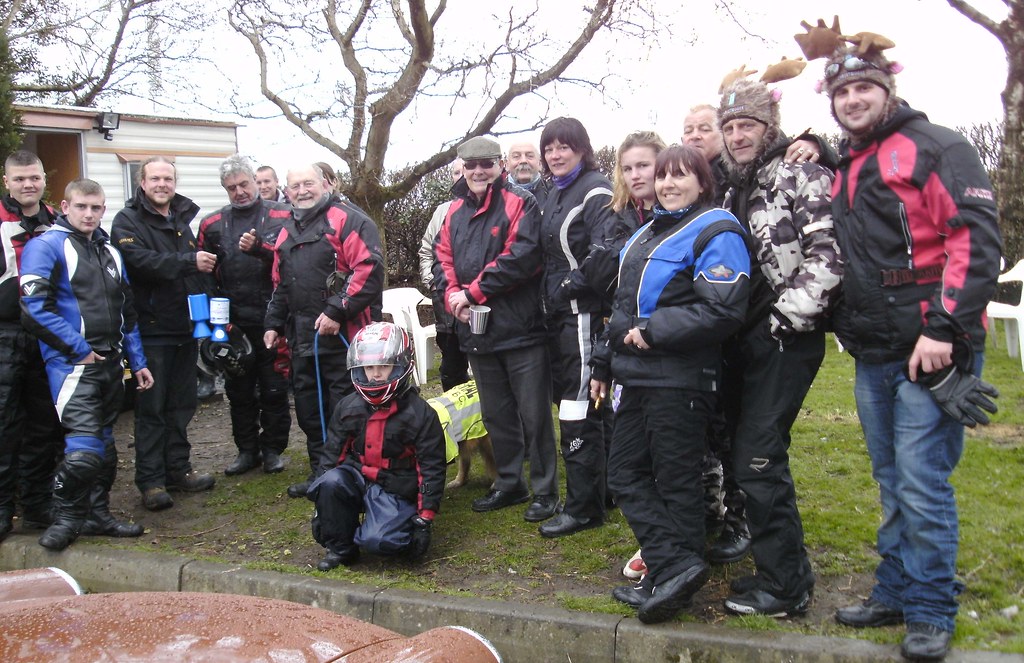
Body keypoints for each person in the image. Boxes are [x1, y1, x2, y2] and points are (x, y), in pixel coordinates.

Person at [812, 39, 1001, 661]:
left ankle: (930, 607)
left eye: (862, 87)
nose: (852, 99)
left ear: (886, 88)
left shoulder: (935, 145)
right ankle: (895, 588)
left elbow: (973, 240)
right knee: (891, 479)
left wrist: (945, 329)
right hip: (874, 350)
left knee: (922, 483)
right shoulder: (848, 164)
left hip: (929, 344)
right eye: (841, 92)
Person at [589, 144, 750, 624]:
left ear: (703, 182)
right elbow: (619, 307)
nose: (668, 184)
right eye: (663, 176)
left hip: (681, 379)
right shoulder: (646, 232)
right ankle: (674, 565)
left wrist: (654, 331)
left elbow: (723, 308)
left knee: (676, 482)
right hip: (635, 375)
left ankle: (672, 578)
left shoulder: (716, 229)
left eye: (681, 176)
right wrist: (602, 364)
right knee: (624, 473)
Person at [715, 77, 842, 617]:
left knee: (759, 458)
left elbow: (828, 255)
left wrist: (786, 319)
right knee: (751, 459)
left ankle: (787, 588)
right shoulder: (730, 188)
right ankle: (781, 574)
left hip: (786, 339)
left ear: (768, 127)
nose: (738, 135)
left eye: (747, 124)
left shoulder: (799, 174)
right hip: (741, 344)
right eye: (731, 127)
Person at [19, 179, 154, 549]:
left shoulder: (111, 250)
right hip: (71, 366)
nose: (90, 214)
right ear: (65, 206)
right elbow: (33, 308)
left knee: (106, 450)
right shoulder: (44, 246)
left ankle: (97, 515)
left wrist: (137, 360)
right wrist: (78, 349)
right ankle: (66, 518)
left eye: (96, 207)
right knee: (83, 455)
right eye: (82, 207)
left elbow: (127, 312)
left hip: (111, 363)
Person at [434, 136, 559, 519]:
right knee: (496, 414)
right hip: (476, 332)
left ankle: (545, 491)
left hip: (521, 329)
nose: (478, 171)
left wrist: (470, 293)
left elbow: (522, 257)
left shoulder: (522, 202)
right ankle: (509, 483)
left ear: (499, 165)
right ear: (462, 168)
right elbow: (442, 261)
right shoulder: (453, 212)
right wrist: (452, 296)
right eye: (471, 165)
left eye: (486, 163)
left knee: (535, 415)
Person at [258, 164, 384, 499]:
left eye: (308, 183)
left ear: (325, 184)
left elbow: (369, 269)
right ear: (287, 191)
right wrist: (272, 323)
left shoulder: (349, 219)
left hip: (343, 338)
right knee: (310, 411)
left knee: (347, 409)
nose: (302, 190)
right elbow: (280, 284)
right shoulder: (285, 231)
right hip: (301, 340)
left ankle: (355, 474)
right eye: (295, 185)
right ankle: (321, 473)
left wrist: (336, 310)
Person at [110, 156, 217, 511]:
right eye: (155, 178)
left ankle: (179, 470)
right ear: (142, 182)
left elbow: (194, 275)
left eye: (167, 178)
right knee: (152, 409)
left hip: (184, 330)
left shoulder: (180, 220)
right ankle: (151, 481)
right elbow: (140, 264)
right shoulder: (128, 221)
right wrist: (189, 262)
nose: (161, 184)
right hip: (151, 330)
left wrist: (213, 313)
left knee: (181, 406)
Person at [535, 117, 618, 537]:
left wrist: (570, 287)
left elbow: (606, 251)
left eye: (564, 146)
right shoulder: (555, 192)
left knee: (579, 406)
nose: (555, 154)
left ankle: (583, 507)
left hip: (582, 314)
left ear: (582, 149)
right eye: (549, 148)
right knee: (586, 405)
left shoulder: (596, 189)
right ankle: (603, 490)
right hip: (559, 315)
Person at [309, 322, 444, 570]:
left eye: (384, 366)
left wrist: (425, 518)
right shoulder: (348, 406)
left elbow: (431, 469)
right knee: (330, 482)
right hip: (357, 475)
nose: (376, 374)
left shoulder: (421, 414)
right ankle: (341, 547)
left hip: (394, 484)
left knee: (380, 542)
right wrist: (321, 507)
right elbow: (331, 457)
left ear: (401, 365)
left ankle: (382, 527)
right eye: (369, 367)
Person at [198, 155, 292, 476]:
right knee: (238, 391)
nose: (239, 192)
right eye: (231, 188)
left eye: (244, 184)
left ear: (256, 180)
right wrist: (215, 320)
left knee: (274, 388)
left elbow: (290, 262)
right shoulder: (211, 224)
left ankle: (273, 449)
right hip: (232, 321)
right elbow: (205, 276)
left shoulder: (283, 214)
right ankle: (246, 449)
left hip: (273, 319)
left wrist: (260, 250)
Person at [0, 150, 64, 537]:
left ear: (43, 179)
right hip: (4, 334)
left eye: (34, 178)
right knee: (4, 425)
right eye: (20, 179)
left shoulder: (57, 221)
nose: (28, 185)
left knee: (45, 425)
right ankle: (3, 507)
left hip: (47, 334)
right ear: (7, 181)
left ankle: (38, 504)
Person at [417, 157, 470, 391]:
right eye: (456, 172)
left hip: (478, 301)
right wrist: (433, 284)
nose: (461, 176)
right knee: (451, 369)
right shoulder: (442, 211)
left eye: (464, 170)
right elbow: (427, 249)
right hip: (445, 302)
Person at [507, 141, 550, 207]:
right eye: (516, 156)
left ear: (540, 163)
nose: (523, 161)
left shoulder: (552, 192)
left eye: (530, 156)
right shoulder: (495, 196)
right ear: (507, 164)